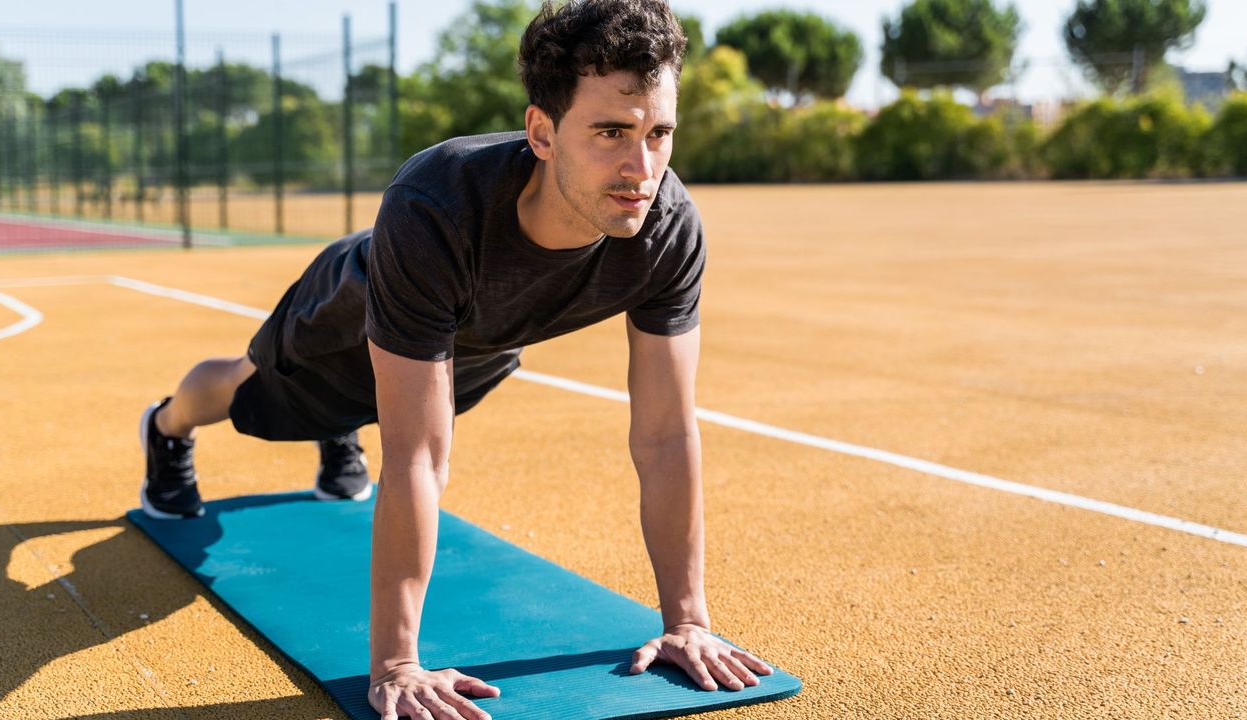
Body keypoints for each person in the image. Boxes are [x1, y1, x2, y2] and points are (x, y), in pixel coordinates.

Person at [138, 1, 774, 718]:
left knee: (413, 404)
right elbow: (417, 457)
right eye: (610, 133)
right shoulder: (435, 204)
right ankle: (165, 430)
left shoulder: (667, 230)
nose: (642, 167)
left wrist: (686, 620)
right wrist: (396, 665)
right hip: (343, 329)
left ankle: (342, 430)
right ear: (541, 132)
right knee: (243, 396)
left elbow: (664, 433)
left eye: (660, 133)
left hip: (473, 345)